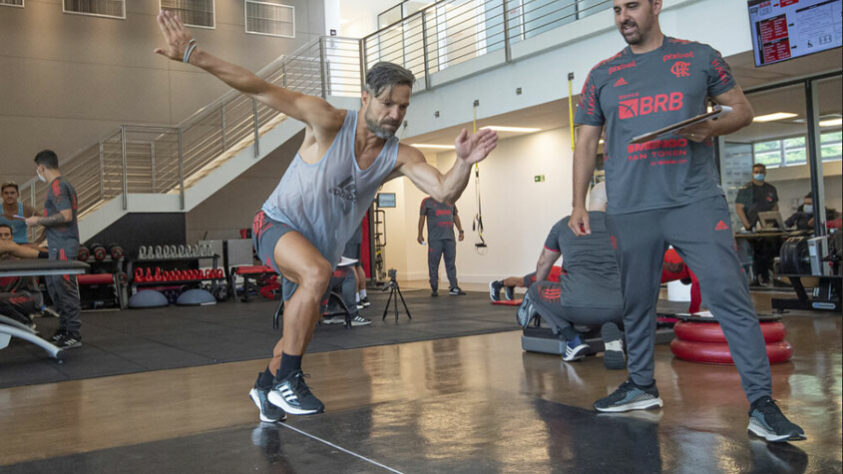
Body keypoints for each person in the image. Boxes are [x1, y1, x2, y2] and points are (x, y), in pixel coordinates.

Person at [154, 11, 497, 421]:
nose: (395, 114)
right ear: (366, 98)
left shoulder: (400, 156)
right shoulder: (327, 121)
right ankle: (288, 382)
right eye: (388, 103)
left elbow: (444, 190)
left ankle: (266, 386)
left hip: (317, 250)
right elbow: (258, 88)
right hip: (277, 224)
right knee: (317, 275)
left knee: (298, 333)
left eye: (403, 107)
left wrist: (463, 163)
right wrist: (193, 53)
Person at [570, 0, 803, 442]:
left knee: (730, 297)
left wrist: (711, 128)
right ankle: (640, 385)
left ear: (656, 5)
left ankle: (761, 405)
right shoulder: (601, 74)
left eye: (632, 6)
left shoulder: (699, 57)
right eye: (616, 8)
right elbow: (585, 142)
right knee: (636, 302)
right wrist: (578, 203)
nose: (624, 16)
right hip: (630, 206)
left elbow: (741, 110)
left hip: (694, 201)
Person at [24, 150, 82, 350]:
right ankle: (65, 330)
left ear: (41, 167)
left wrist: (37, 220)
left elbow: (66, 216)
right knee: (56, 289)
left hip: (64, 247)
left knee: (66, 290)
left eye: (37, 169)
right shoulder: (60, 186)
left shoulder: (58, 186)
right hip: (57, 246)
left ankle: (73, 334)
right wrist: (42, 240)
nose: (37, 172)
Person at [735, 163, 779, 285]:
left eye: (760, 171)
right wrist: (748, 225)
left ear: (765, 173)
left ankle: (770, 275)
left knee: (771, 250)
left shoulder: (770, 189)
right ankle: (758, 277)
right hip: (752, 227)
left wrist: (773, 220)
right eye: (756, 171)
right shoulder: (746, 189)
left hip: (768, 227)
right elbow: (739, 208)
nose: (758, 174)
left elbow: (775, 206)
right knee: (757, 251)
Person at [0, 223, 49, 329]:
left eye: (6, 235)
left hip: (29, 297)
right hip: (7, 299)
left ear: (11, 237)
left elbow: (40, 251)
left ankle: (26, 324)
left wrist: (62, 255)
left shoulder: (22, 250)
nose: (3, 238)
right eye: (0, 235)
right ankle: (21, 318)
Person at [418, 196, 465, 296]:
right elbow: (422, 218)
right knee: (433, 263)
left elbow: (455, 215)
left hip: (449, 238)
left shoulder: (450, 200)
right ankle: (434, 286)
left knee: (451, 263)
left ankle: (453, 287)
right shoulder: (426, 202)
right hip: (435, 239)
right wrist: (420, 234)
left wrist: (460, 230)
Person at [343, 221, 370, 309]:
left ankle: (356, 299)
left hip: (349, 236)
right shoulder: (357, 208)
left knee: (351, 266)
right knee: (358, 265)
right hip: (357, 236)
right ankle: (363, 296)